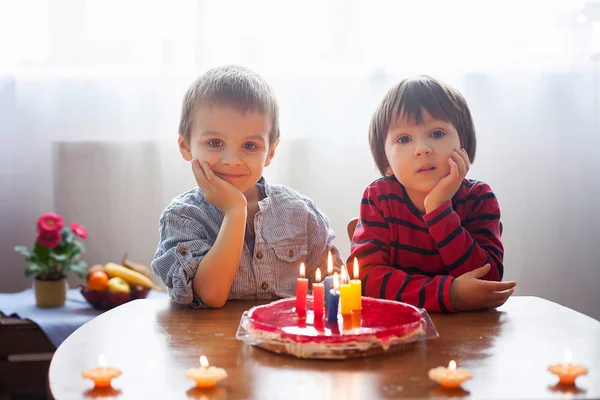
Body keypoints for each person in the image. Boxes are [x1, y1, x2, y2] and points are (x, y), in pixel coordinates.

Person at [152, 65, 342, 308]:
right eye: (215, 142)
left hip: (285, 343)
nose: (232, 159)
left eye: (250, 146)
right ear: (186, 147)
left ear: (270, 152)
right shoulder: (183, 217)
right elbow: (211, 294)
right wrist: (235, 211)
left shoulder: (301, 213)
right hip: (209, 345)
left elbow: (333, 289)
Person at [349, 75, 516, 312]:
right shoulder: (380, 198)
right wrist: (450, 294)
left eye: (437, 134)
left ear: (463, 146)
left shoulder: (479, 198)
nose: (422, 149)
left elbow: (487, 282)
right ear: (386, 162)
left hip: (467, 337)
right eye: (404, 139)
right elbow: (366, 280)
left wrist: (439, 209)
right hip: (396, 331)